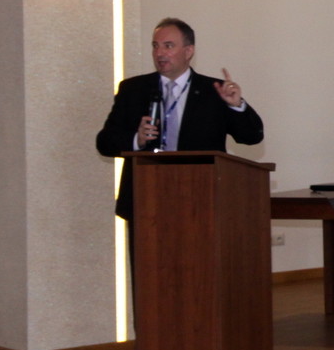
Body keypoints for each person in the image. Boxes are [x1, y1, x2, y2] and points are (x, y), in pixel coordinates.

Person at [96, 18, 265, 234]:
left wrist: (236, 105)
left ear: (188, 51)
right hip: (145, 200)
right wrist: (136, 140)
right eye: (155, 46)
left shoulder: (214, 91)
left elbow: (252, 136)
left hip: (201, 199)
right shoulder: (133, 89)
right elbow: (105, 142)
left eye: (168, 46)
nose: (159, 53)